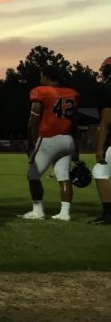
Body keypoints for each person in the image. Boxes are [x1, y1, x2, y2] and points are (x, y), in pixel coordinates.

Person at [20, 65, 80, 221]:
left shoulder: (41, 91)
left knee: (32, 175)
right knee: (63, 176)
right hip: (67, 139)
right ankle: (65, 213)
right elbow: (75, 120)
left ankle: (37, 210)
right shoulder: (71, 93)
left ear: (46, 77)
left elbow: (33, 121)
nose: (40, 79)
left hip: (49, 138)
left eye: (42, 75)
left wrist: (31, 143)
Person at [91, 57, 111, 225]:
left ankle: (109, 214)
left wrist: (99, 148)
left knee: (100, 171)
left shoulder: (107, 89)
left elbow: (106, 121)